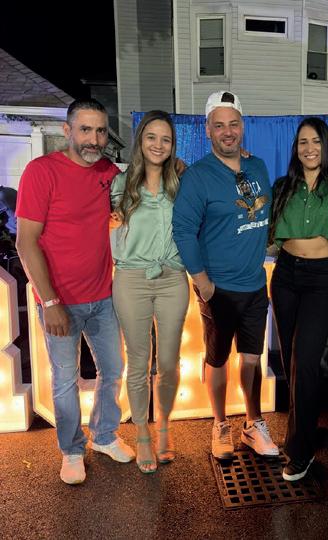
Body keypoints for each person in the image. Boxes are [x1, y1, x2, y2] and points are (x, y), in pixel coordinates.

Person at [15, 98, 134, 485]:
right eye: (85, 129)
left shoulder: (108, 172)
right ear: (67, 131)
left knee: (112, 370)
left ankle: (104, 435)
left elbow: (138, 190)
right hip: (60, 301)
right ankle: (71, 449)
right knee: (65, 379)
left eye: (100, 131)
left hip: (103, 297)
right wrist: (49, 301)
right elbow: (25, 242)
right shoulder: (41, 171)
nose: (94, 139)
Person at [172, 91, 278, 460]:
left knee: (250, 359)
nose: (227, 132)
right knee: (217, 359)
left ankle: (253, 423)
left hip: (255, 285)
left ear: (242, 127)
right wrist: (202, 282)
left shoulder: (257, 167)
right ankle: (219, 424)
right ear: (207, 130)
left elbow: (262, 216)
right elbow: (183, 230)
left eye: (233, 124)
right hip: (218, 288)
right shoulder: (198, 177)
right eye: (219, 125)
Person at [269, 117, 328, 481]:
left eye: (316, 141)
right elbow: (264, 228)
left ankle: (300, 450)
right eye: (303, 142)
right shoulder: (283, 186)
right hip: (286, 275)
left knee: (305, 360)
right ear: (296, 148)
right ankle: (299, 428)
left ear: (326, 145)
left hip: (321, 279)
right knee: (291, 361)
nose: (309, 148)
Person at [111, 110, 189, 474]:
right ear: (140, 140)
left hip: (173, 278)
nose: (158, 145)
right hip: (132, 279)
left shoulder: (182, 182)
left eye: (166, 139)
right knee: (139, 361)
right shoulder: (120, 183)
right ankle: (142, 431)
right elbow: (105, 226)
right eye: (151, 137)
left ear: (173, 145)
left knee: (169, 363)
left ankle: (164, 425)